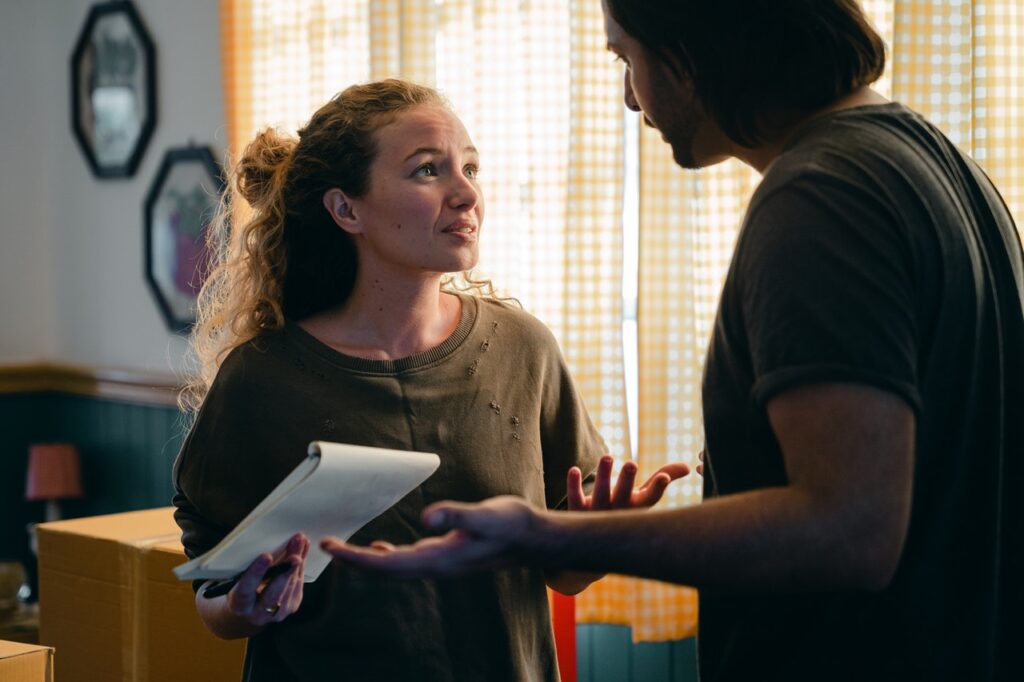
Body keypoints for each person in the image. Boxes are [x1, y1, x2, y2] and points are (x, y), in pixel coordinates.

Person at [323, 3, 1024, 681]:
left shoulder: (821, 197)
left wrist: (544, 535)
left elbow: (850, 531)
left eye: (628, 58)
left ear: (690, 50)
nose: (631, 98)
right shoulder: (942, 166)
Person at [171, 79, 687, 682]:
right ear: (346, 209)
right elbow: (214, 592)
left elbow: (564, 575)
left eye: (470, 167)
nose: (467, 193)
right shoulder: (262, 379)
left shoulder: (523, 349)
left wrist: (598, 535)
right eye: (427, 171)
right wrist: (242, 606)